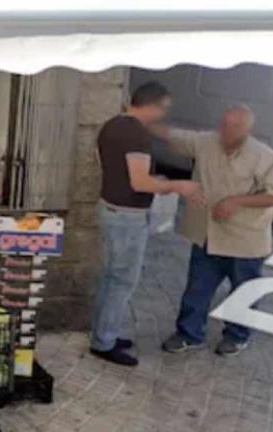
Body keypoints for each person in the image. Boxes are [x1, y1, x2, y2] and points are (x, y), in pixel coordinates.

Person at [158, 105, 273, 357]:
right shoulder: (206, 143)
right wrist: (143, 118)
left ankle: (237, 336)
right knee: (197, 288)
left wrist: (236, 202)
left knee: (243, 291)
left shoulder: (264, 156)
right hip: (208, 235)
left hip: (245, 240)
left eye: (233, 126)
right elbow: (175, 137)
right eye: (224, 124)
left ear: (246, 130)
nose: (225, 130)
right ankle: (189, 334)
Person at [90, 81, 202, 367]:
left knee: (111, 278)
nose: (163, 115)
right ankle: (104, 342)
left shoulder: (112, 125)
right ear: (153, 105)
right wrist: (179, 185)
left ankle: (103, 333)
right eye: (163, 109)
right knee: (122, 281)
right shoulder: (136, 134)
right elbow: (139, 182)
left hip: (110, 208)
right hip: (127, 216)